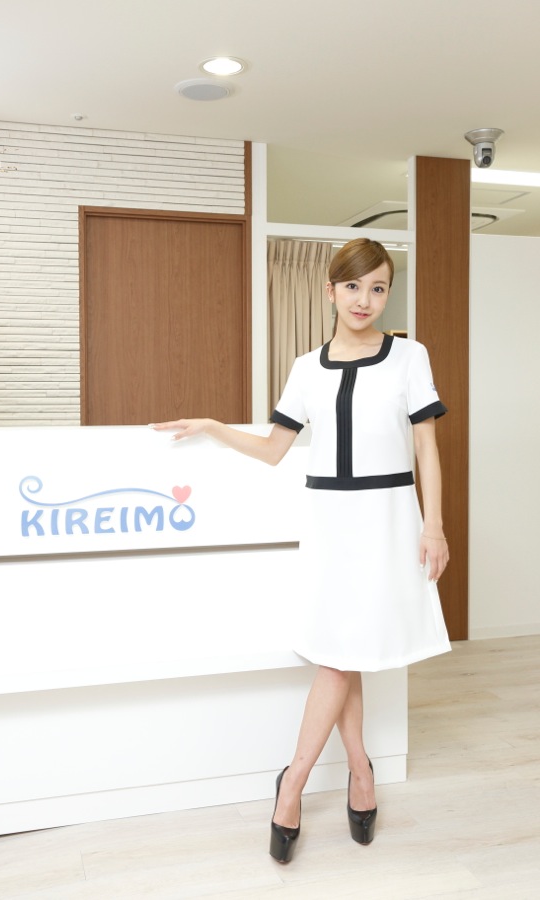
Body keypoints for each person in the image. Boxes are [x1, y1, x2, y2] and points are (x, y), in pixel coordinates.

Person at [151, 237, 450, 860]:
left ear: (387, 295)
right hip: (330, 521)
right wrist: (212, 426)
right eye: (353, 286)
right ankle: (356, 773)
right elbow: (273, 449)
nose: (364, 299)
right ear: (329, 290)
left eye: (378, 288)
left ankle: (295, 783)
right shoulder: (306, 367)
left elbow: (426, 445)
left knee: (343, 655)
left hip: (387, 517)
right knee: (343, 653)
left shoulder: (409, 356)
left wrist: (434, 527)